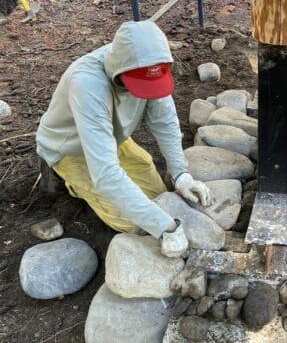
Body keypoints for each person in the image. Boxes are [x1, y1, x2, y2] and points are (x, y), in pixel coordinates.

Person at [36, 20, 214, 257]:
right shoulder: (87, 84)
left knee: (158, 195)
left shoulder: (148, 63)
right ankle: (69, 181)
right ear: (119, 71)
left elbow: (165, 121)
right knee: (131, 221)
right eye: (139, 85)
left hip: (111, 135)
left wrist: (181, 174)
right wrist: (165, 227)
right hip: (71, 147)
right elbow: (106, 174)